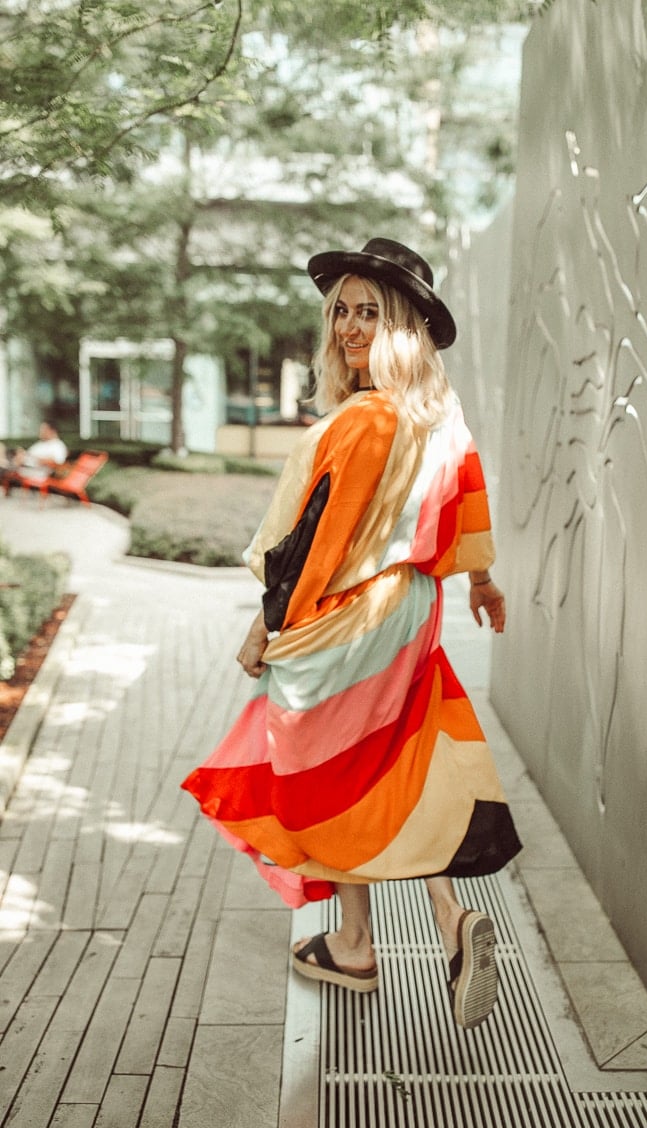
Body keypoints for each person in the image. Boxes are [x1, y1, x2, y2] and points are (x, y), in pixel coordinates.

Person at [182, 238, 521, 1029]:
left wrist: (266, 628)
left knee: (325, 775)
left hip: (349, 616)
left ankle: (364, 941)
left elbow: (310, 544)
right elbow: (469, 508)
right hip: (412, 610)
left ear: (405, 324)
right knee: (398, 761)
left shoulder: (363, 420)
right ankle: (431, 923)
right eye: (341, 311)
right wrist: (481, 579)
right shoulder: (441, 416)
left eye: (370, 312)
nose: (349, 328)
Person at [3, 421, 68, 484]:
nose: (40, 432)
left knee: (5, 468)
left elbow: (57, 463)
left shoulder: (58, 446)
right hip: (24, 467)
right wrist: (22, 455)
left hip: (38, 473)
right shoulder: (40, 444)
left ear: (52, 431)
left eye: (43, 429)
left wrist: (35, 458)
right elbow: (27, 456)